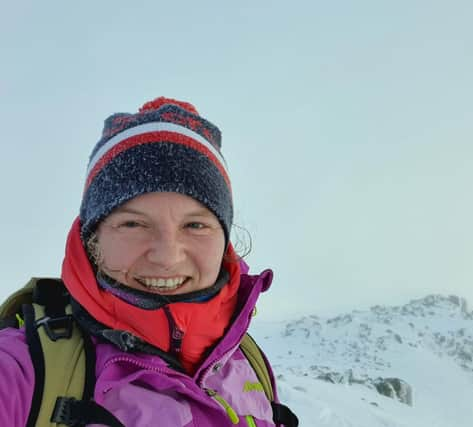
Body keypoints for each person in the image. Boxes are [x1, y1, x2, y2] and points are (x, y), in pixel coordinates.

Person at [0, 97, 296, 426]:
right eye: (133, 224)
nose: (167, 257)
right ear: (92, 239)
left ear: (224, 239)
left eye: (195, 225)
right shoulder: (24, 369)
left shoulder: (245, 358)